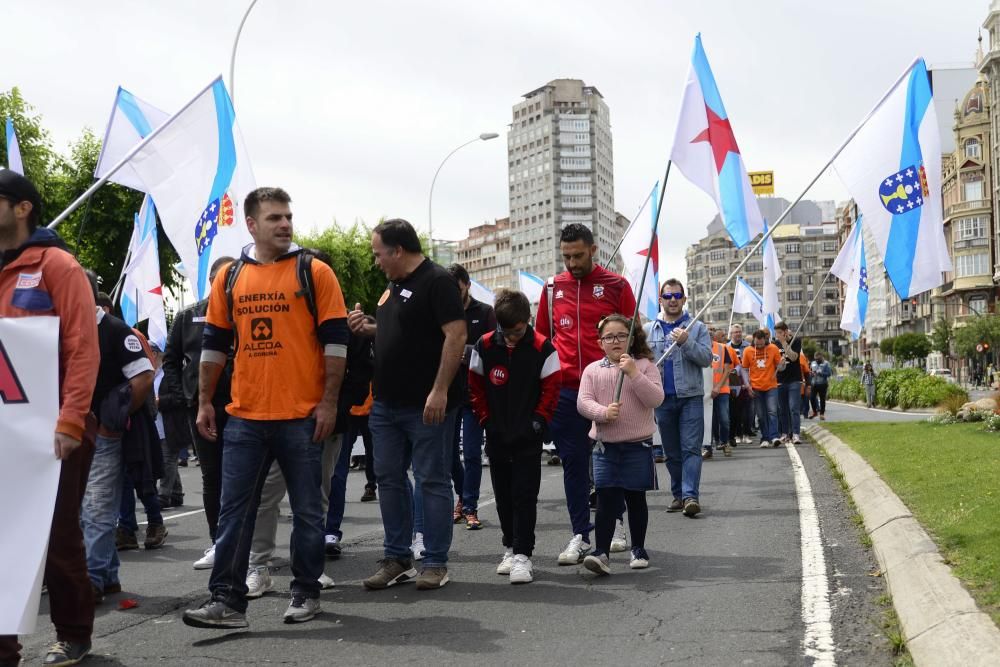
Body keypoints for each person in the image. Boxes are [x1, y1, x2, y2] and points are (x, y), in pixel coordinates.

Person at [182, 187, 349, 629]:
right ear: (252, 225)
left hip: (301, 416)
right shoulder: (230, 278)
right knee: (235, 511)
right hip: (245, 417)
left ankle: (306, 592)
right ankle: (227, 602)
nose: (285, 224)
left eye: (288, 216)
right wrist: (204, 402)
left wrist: (328, 403)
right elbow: (214, 346)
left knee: (309, 511)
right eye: (274, 217)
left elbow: (336, 343)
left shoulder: (315, 272)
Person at [0, 171, 101, 667]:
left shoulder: (58, 265)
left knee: (57, 536)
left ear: (23, 208)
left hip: (53, 429)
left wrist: (70, 421)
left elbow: (83, 348)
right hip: (5, 431)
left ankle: (74, 634)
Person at [348, 218, 466, 591]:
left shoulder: (437, 281)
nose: (376, 260)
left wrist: (440, 390)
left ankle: (434, 562)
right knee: (389, 479)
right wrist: (369, 328)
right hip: (386, 404)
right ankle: (397, 558)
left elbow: (456, 335)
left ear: (398, 250)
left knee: (431, 480)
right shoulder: (394, 285)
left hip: (426, 404)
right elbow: (404, 332)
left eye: (379, 253)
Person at [245, 247, 370, 598]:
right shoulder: (281, 316)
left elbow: (359, 379)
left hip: (326, 428)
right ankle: (258, 566)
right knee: (267, 495)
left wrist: (330, 410)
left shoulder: (348, 326)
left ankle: (311, 571)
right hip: (279, 421)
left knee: (316, 500)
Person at [534, 223, 636, 564]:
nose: (572, 263)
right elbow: (541, 340)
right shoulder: (552, 288)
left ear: (593, 250)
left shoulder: (617, 285)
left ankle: (616, 524)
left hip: (608, 386)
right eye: (566, 257)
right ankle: (580, 533)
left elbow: (632, 335)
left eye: (578, 255)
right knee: (574, 464)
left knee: (609, 461)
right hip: (565, 390)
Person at [469, 290, 560, 584]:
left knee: (524, 496)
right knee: (503, 497)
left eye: (517, 331)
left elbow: (551, 391)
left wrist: (537, 422)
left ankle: (523, 554)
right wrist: (485, 419)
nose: (510, 338)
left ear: (527, 320)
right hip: (496, 434)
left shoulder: (544, 348)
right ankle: (509, 547)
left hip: (527, 437)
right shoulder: (483, 345)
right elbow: (475, 387)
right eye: (504, 332)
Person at [160, 256, 234, 569]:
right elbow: (170, 361)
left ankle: (247, 543)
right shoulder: (187, 316)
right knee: (212, 476)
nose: (227, 284)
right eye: (221, 278)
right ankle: (218, 540)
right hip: (201, 409)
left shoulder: (245, 312)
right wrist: (186, 397)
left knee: (244, 476)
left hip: (242, 406)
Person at [578, 314, 663, 575]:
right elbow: (583, 402)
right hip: (605, 446)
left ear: (631, 338)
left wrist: (634, 373)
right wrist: (603, 413)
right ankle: (601, 552)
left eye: (621, 336)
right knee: (606, 500)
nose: (615, 341)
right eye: (609, 337)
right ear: (600, 342)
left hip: (638, 446)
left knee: (636, 499)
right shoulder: (592, 370)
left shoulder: (644, 365)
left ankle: (638, 547)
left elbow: (656, 399)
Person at [644, 279, 712, 517]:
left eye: (677, 296)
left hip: (690, 397)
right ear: (661, 300)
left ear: (684, 299)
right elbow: (642, 363)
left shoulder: (697, 327)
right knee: (671, 452)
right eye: (668, 296)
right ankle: (677, 495)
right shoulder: (647, 329)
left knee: (691, 449)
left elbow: (706, 358)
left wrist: (686, 342)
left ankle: (690, 496)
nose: (672, 300)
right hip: (661, 398)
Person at [446, 263, 496, 530]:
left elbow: (493, 349)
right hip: (448, 393)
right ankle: (462, 496)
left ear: (466, 284)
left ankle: (469, 506)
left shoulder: (485, 313)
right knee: (450, 454)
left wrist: (461, 352)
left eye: (456, 288)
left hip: (476, 396)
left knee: (473, 454)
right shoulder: (441, 312)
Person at [742, 330, 783, 448]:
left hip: (771, 386)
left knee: (772, 411)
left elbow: (780, 368)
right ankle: (765, 437)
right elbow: (744, 369)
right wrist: (747, 385)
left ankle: (774, 436)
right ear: (753, 341)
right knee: (760, 415)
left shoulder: (773, 348)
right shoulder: (748, 351)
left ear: (765, 340)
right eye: (757, 344)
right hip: (755, 387)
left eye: (761, 344)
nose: (759, 346)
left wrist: (782, 365)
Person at [708, 327, 737, 458]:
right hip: (705, 391)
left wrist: (718, 387)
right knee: (710, 420)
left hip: (722, 389)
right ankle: (710, 446)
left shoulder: (721, 348)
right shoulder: (697, 349)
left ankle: (724, 442)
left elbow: (727, 370)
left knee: (724, 418)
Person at [773, 322, 803, 445]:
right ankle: (785, 433)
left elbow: (794, 357)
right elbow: (774, 363)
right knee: (783, 410)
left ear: (785, 332)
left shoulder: (796, 341)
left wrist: (785, 343)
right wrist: (779, 364)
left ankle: (795, 434)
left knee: (793, 408)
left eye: (780, 333)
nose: (778, 335)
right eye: (777, 333)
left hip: (794, 380)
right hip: (780, 381)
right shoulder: (774, 344)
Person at [727, 324, 753, 445]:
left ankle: (747, 433)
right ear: (731, 334)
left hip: (746, 380)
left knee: (747, 409)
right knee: (735, 410)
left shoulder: (748, 347)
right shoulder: (726, 347)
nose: (737, 334)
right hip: (732, 381)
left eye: (739, 332)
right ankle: (737, 433)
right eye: (735, 332)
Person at [810, 352, 833, 420]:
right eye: (816, 359)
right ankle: (814, 412)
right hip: (814, 383)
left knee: (822, 399)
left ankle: (822, 414)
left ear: (821, 357)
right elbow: (810, 371)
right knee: (812, 398)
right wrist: (811, 374)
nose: (817, 360)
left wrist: (821, 373)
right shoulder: (813, 363)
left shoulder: (826, 363)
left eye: (818, 359)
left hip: (822, 384)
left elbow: (829, 374)